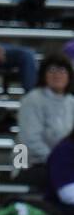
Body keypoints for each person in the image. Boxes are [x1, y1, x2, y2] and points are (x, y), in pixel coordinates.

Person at [17, 54, 74, 192]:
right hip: (32, 164)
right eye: (52, 70)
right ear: (43, 75)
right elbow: (29, 140)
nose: (57, 75)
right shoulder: (32, 100)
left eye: (62, 71)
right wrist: (58, 160)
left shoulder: (71, 101)